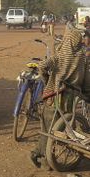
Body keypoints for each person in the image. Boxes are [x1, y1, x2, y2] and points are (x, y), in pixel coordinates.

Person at [30, 28, 86, 168]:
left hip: (54, 96)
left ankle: (40, 155)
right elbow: (85, 80)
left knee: (47, 126)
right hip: (71, 98)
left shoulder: (60, 55)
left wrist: (47, 79)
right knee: (59, 128)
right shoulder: (81, 57)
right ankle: (46, 155)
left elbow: (42, 66)